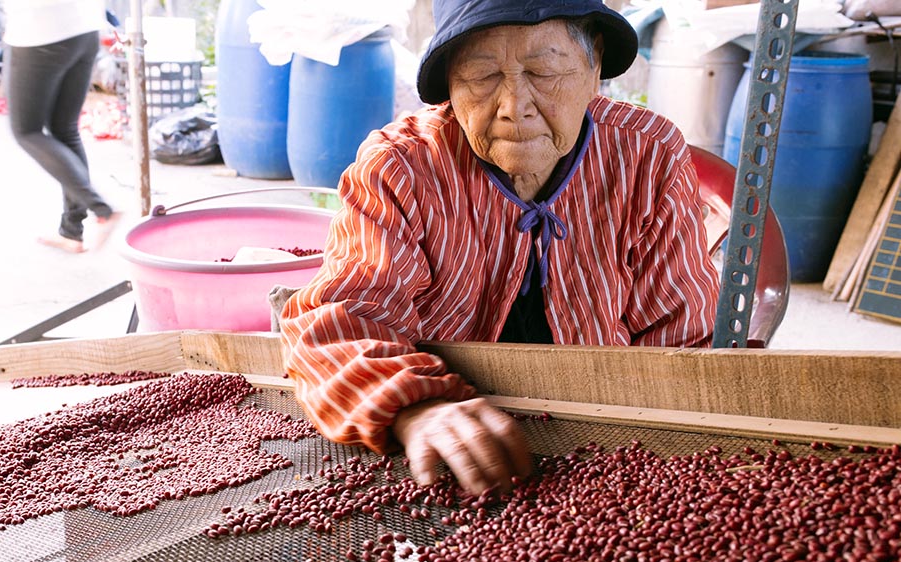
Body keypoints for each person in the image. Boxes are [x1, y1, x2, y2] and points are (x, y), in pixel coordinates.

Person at [279, 0, 721, 496]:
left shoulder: (648, 155)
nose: (515, 105)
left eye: (544, 70)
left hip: (603, 442)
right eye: (481, 75)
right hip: (451, 451)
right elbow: (339, 324)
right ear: (449, 83)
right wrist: (415, 408)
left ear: (594, 64)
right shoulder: (400, 169)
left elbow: (685, 343)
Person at [0, 0, 120, 253]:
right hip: (85, 27)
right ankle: (72, 232)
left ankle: (102, 209)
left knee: (26, 130)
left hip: (41, 28)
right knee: (64, 129)